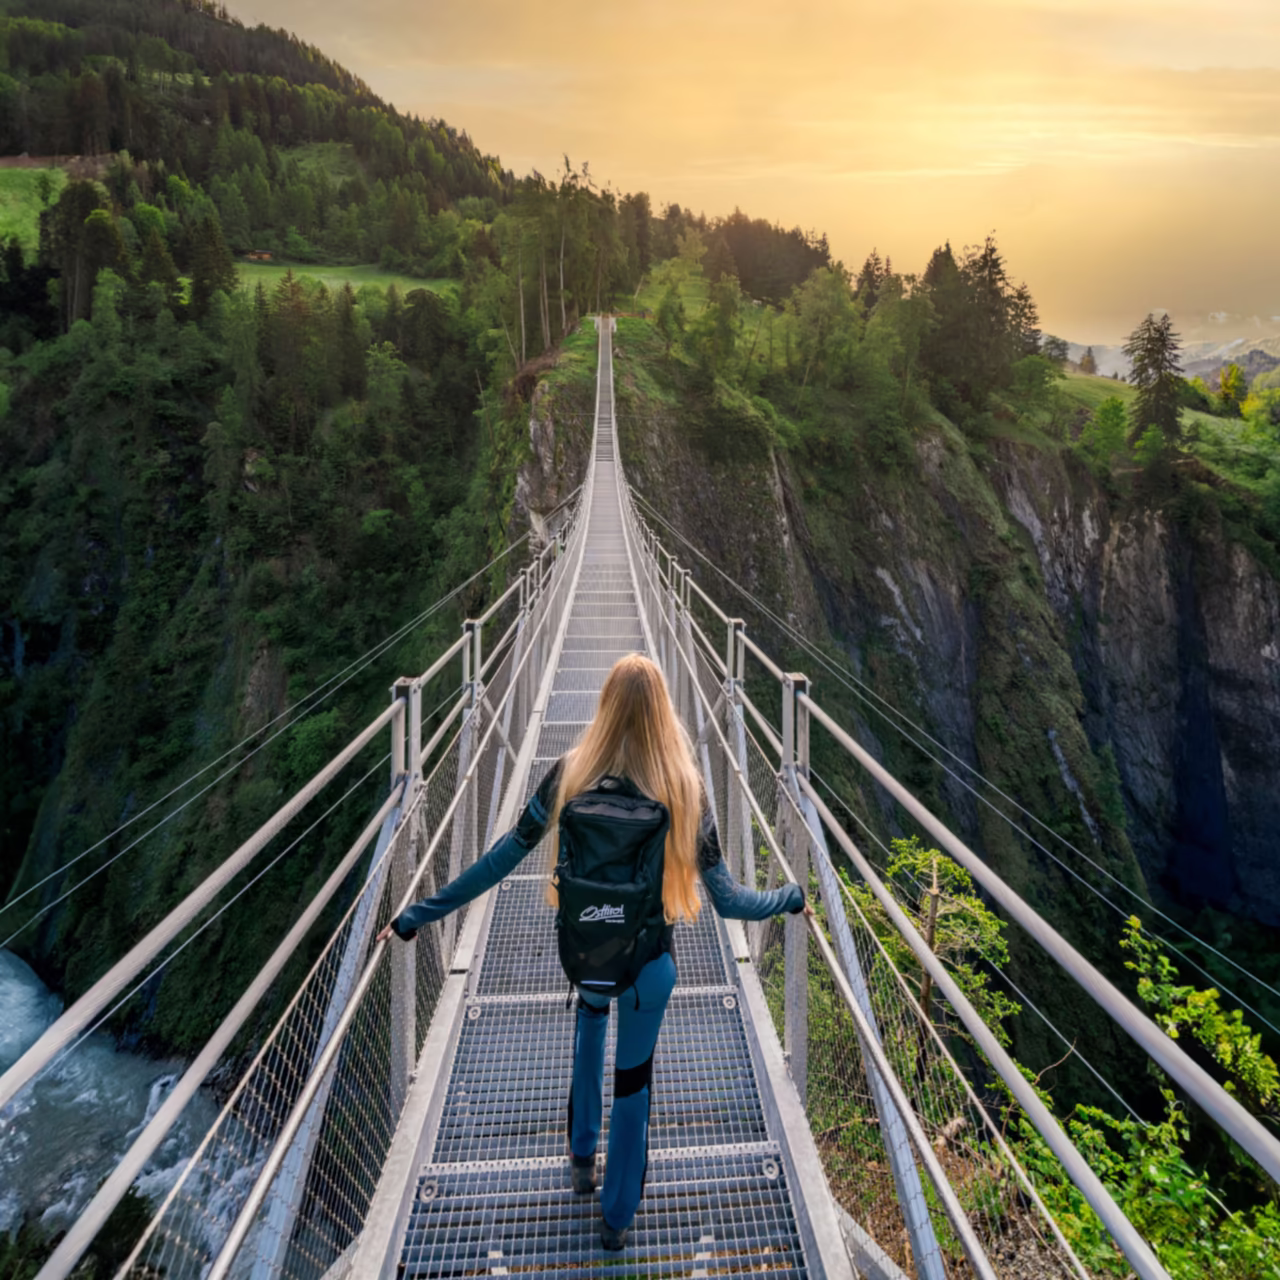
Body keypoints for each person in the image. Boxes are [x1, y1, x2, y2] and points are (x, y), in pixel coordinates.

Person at [377, 653, 808, 1251]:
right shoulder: (685, 788)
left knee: (588, 1027)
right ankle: (616, 1218)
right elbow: (730, 902)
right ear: (664, 714)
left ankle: (581, 1155)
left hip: (585, 952)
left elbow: (501, 859)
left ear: (604, 707)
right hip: (648, 966)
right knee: (634, 1083)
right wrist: (790, 897)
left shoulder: (568, 774)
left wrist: (416, 916)